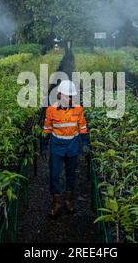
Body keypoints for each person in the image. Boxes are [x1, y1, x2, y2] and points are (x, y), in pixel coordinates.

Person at [43, 80, 90, 218]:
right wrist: (44, 147)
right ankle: (56, 203)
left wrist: (85, 143)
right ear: (59, 95)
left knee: (71, 175)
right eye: (67, 95)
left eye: (71, 96)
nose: (69, 98)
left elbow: (82, 127)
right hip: (57, 146)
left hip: (72, 146)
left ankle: (68, 200)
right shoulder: (51, 110)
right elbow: (47, 129)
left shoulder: (78, 109)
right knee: (54, 175)